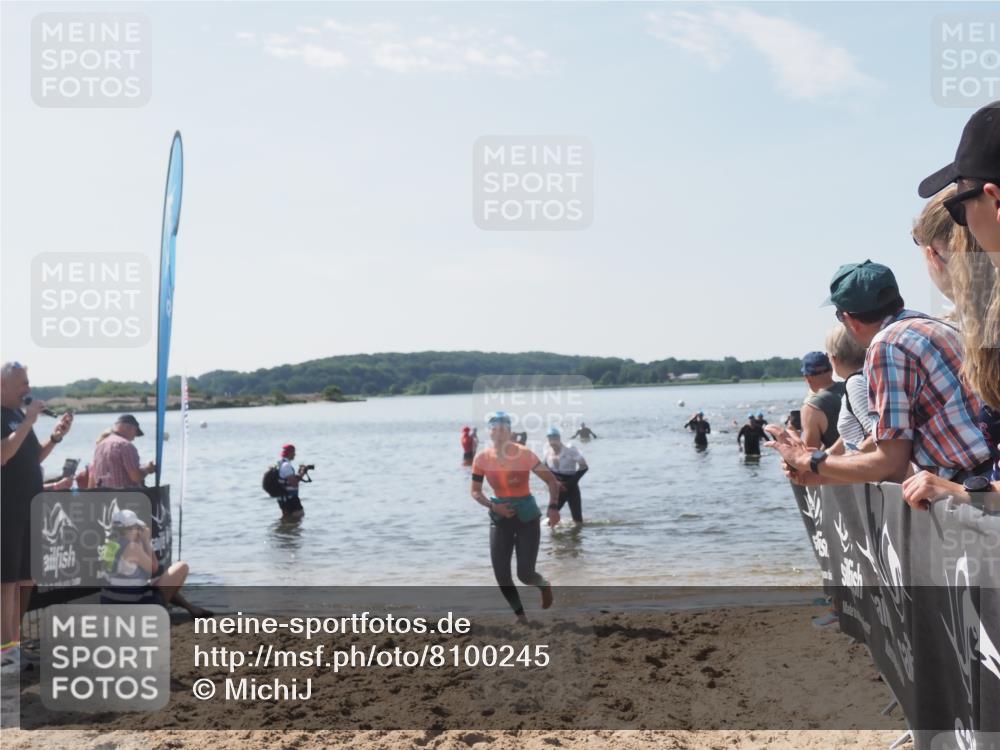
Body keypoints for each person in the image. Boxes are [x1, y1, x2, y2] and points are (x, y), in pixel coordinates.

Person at [769, 261, 992, 488]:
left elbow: (891, 466)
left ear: (850, 320)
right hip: (988, 479)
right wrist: (817, 475)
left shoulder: (886, 346)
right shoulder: (939, 326)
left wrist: (808, 460)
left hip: (976, 491)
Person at [1, 361, 73, 669]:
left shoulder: (18, 416)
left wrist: (55, 438)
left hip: (31, 506)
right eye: (23, 384)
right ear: (3, 385)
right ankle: (6, 653)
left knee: (26, 579)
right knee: (5, 583)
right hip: (7, 511)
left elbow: (31, 457)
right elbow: (4, 455)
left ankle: (14, 645)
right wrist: (29, 423)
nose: (28, 389)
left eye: (28, 383)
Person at [470, 411, 560, 622]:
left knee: (525, 574)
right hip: (499, 517)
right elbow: (475, 491)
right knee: (501, 575)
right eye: (495, 428)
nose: (499, 433)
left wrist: (553, 507)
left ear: (510, 432)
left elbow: (552, 481)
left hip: (527, 517)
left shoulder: (524, 454)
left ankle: (544, 585)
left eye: (503, 429)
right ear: (489, 432)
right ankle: (520, 616)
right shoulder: (482, 458)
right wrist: (493, 506)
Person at [100, 509, 210, 617]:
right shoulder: (132, 547)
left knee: (157, 582)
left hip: (110, 603)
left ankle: (190, 608)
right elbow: (153, 568)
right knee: (182, 567)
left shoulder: (110, 544)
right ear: (132, 529)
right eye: (137, 528)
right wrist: (146, 541)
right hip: (132, 607)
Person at [824, 325, 871, 454]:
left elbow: (879, 435)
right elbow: (853, 431)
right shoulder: (867, 376)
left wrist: (851, 457)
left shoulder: (855, 383)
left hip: (873, 471)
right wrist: (826, 455)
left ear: (834, 359)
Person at [89, 414, 155, 489]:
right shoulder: (125, 445)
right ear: (128, 428)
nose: (134, 438)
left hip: (104, 498)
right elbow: (136, 477)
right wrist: (147, 469)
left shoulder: (100, 446)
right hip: (125, 498)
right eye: (135, 432)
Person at [798, 352, 845, 450]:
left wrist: (792, 434)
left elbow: (811, 452)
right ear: (831, 370)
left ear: (807, 378)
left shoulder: (811, 407)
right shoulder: (852, 385)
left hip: (840, 463)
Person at [543, 427, 589, 524]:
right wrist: (553, 482)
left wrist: (568, 484)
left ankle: (576, 538)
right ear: (547, 440)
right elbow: (544, 468)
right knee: (549, 519)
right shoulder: (547, 451)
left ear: (559, 438)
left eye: (555, 438)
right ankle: (552, 538)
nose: (552, 441)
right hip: (557, 488)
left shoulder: (570, 449)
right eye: (550, 438)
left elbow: (584, 467)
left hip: (571, 487)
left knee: (578, 521)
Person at [276, 443, 310, 520]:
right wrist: (302, 473)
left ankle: (285, 530)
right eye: (294, 452)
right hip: (290, 498)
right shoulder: (286, 465)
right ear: (290, 453)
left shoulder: (280, 464)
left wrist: (298, 473)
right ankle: (290, 531)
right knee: (299, 515)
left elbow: (287, 479)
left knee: (287, 518)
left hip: (282, 498)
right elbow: (294, 483)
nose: (295, 454)